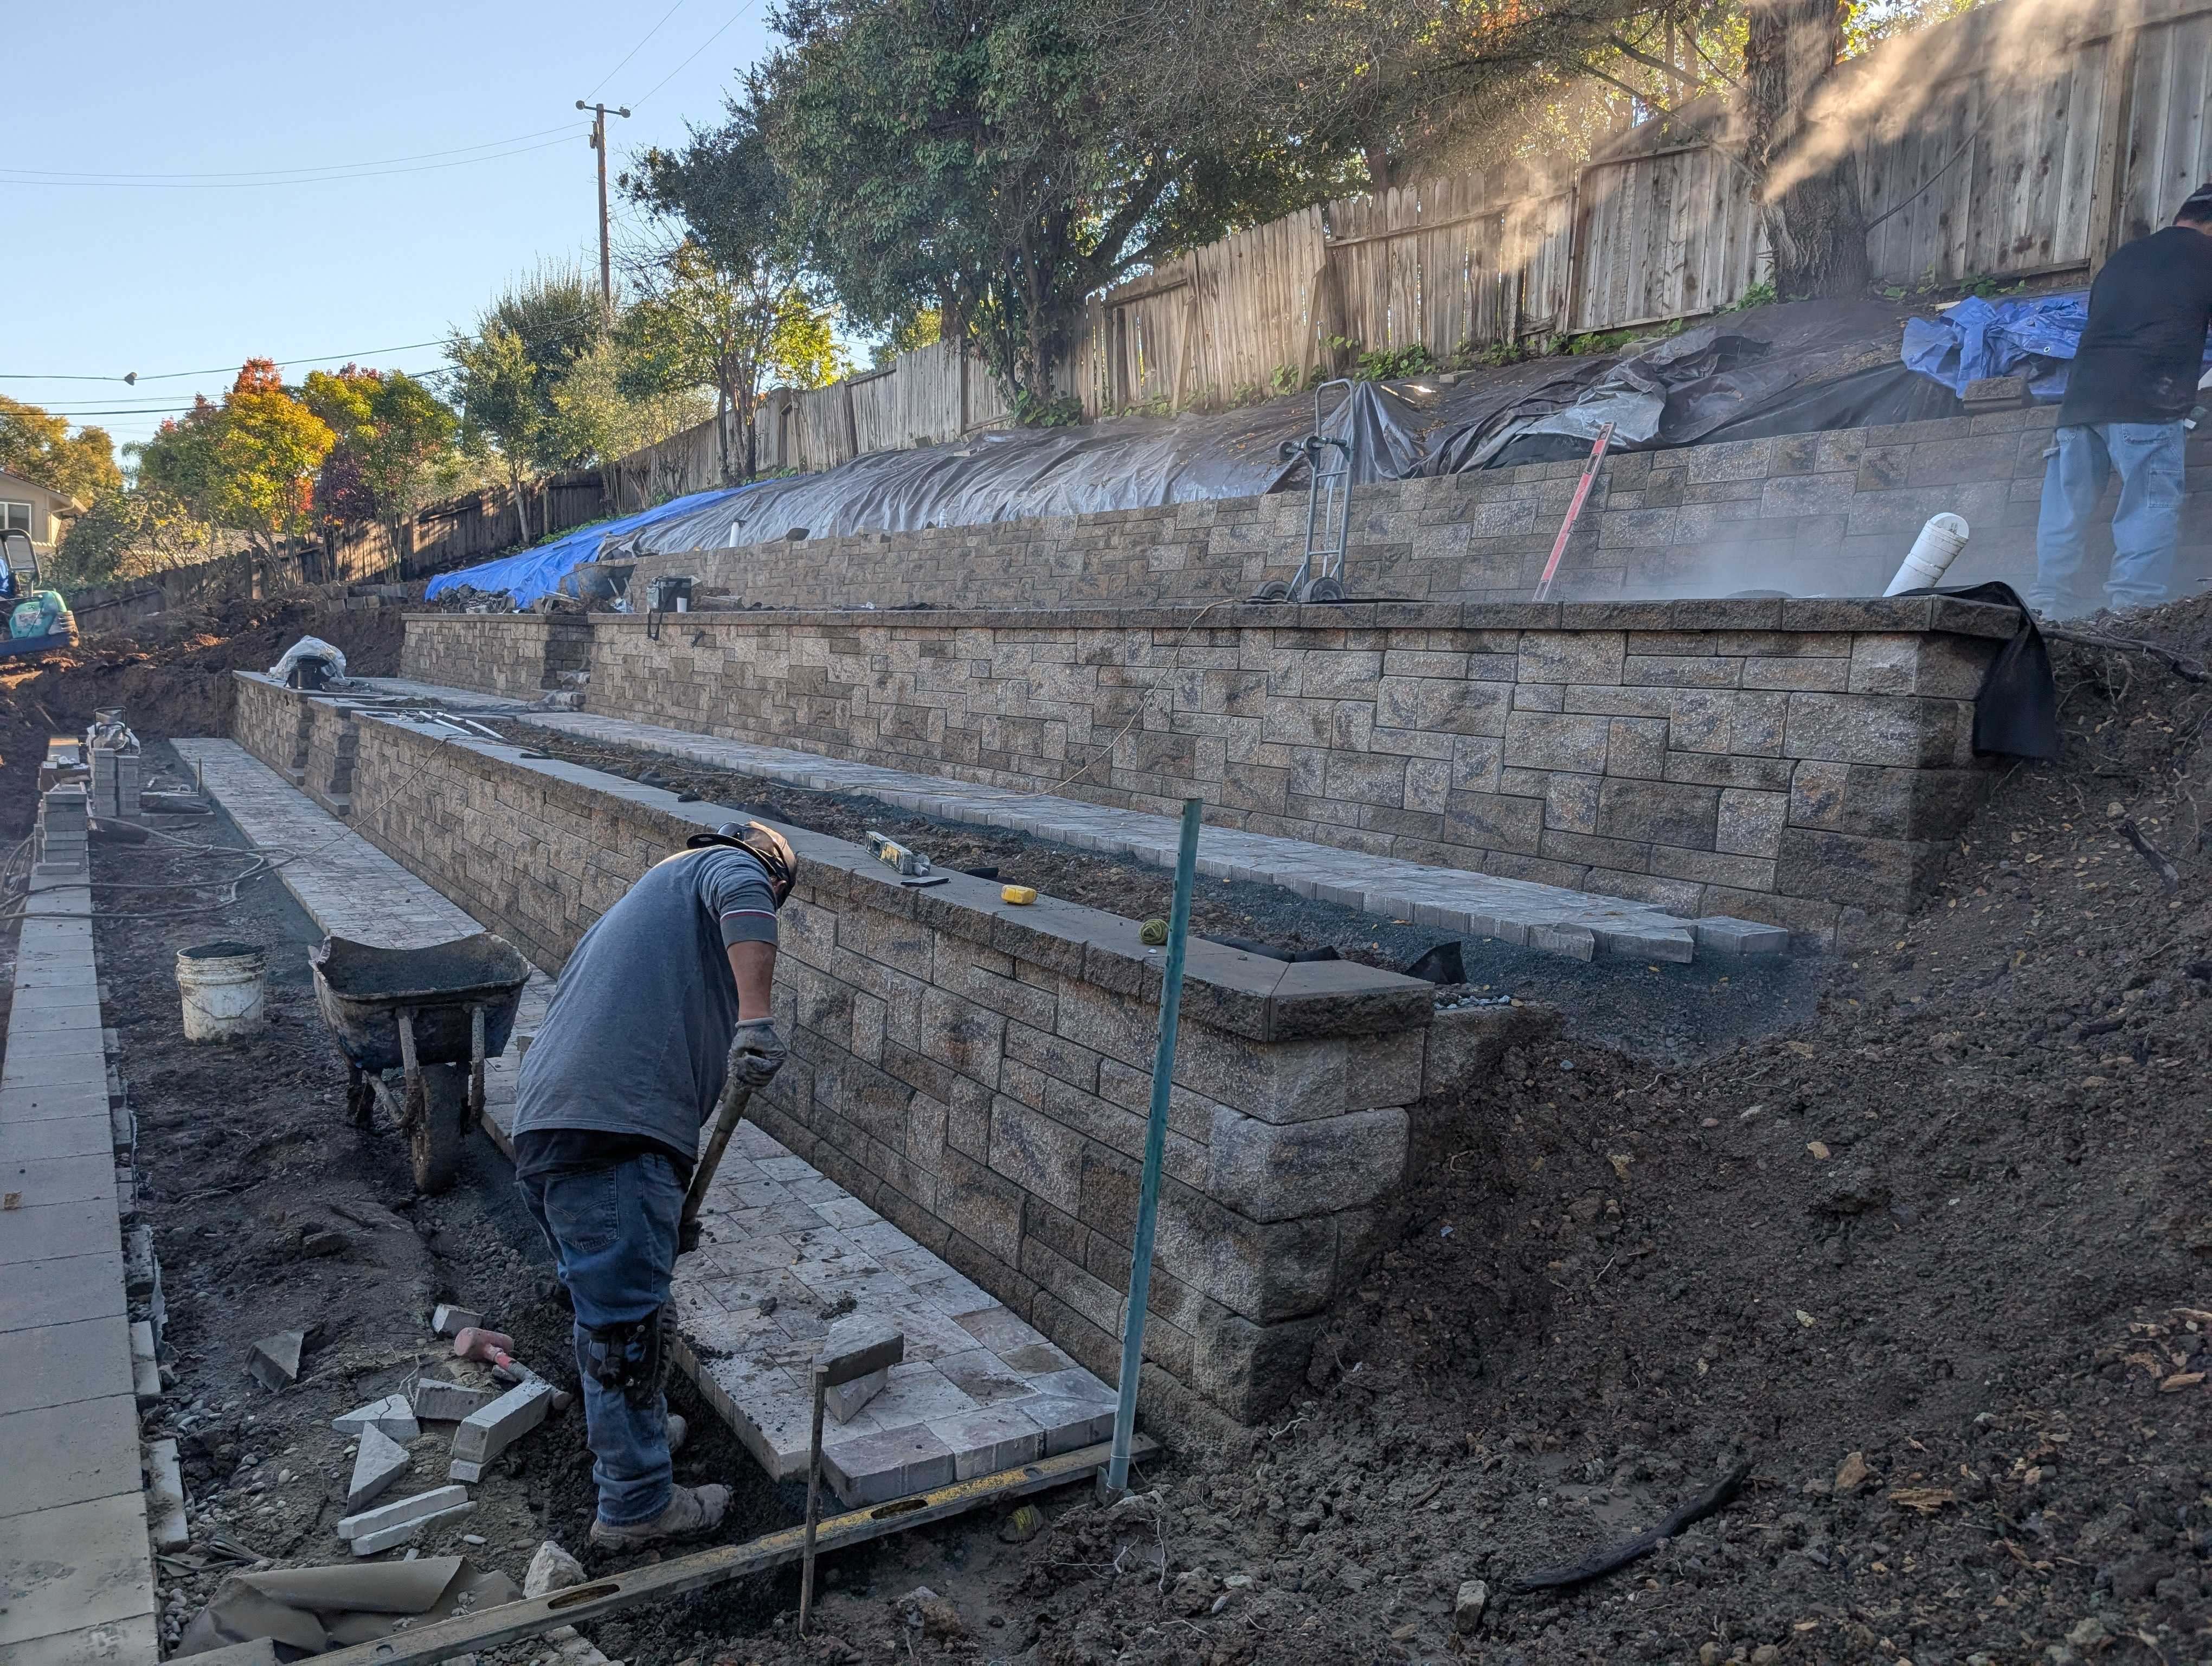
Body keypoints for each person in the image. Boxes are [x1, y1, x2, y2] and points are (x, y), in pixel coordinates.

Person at [511, 819, 796, 1550]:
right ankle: (636, 1503)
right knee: (628, 1332)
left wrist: (658, 1217)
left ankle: (636, 1435)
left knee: (610, 1309)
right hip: (614, 1137)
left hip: (554, 1130)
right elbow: (745, 891)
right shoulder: (727, 870)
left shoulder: (647, 901)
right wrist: (756, 1020)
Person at [2031, 184, 2212, 617]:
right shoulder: (2206, 258)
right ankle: (2133, 611)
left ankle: (2047, 606)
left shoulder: (2123, 257)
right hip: (2149, 402)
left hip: (2080, 403)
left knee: (2065, 511)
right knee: (2148, 506)